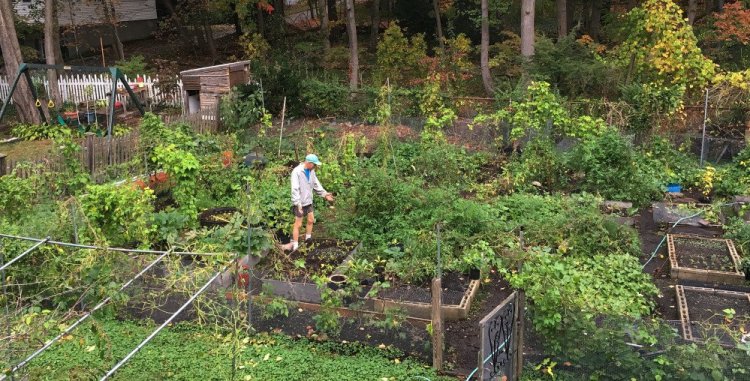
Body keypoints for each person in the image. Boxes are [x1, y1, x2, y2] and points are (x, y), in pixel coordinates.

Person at [283, 154, 334, 251]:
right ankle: (295, 245)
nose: (315, 166)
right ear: (309, 163)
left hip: (308, 201)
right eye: (314, 164)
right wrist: (297, 203)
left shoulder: (312, 171)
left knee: (311, 220)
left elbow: (316, 184)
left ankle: (308, 239)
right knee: (298, 224)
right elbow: (295, 188)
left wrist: (325, 194)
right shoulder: (297, 171)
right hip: (300, 203)